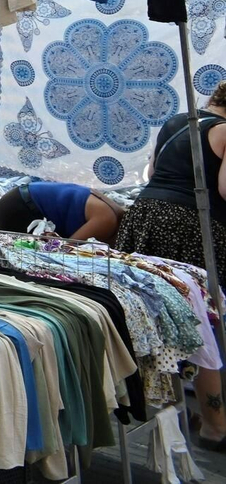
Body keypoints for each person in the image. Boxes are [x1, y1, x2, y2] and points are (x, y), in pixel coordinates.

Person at [117, 81, 226, 449]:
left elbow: (151, 172)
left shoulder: (178, 121)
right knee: (200, 319)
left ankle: (170, 409)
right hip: (192, 226)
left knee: (156, 315)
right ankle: (215, 426)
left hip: (146, 216)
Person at [0, 181, 124, 242]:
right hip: (21, 208)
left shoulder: (112, 209)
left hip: (18, 198)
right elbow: (68, 248)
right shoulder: (108, 221)